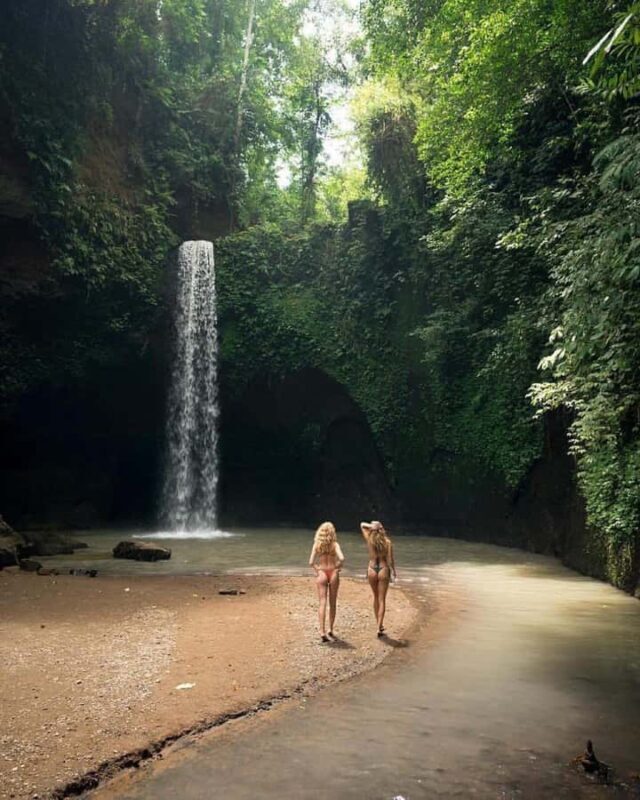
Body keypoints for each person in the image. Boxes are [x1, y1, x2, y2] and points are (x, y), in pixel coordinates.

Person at [308, 521, 345, 642]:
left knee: (322, 602)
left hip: (322, 572)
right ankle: (331, 629)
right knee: (333, 602)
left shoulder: (317, 544)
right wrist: (338, 567)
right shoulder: (335, 545)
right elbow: (342, 558)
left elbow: (311, 562)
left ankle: (322, 631)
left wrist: (317, 570)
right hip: (333, 572)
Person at [360, 520, 396, 636]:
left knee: (375, 597)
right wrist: (394, 571)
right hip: (383, 568)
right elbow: (390, 560)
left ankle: (378, 624)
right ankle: (379, 626)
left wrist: (373, 527)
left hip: (371, 568)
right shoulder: (387, 542)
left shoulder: (369, 539)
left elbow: (362, 524)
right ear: (381, 529)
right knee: (382, 599)